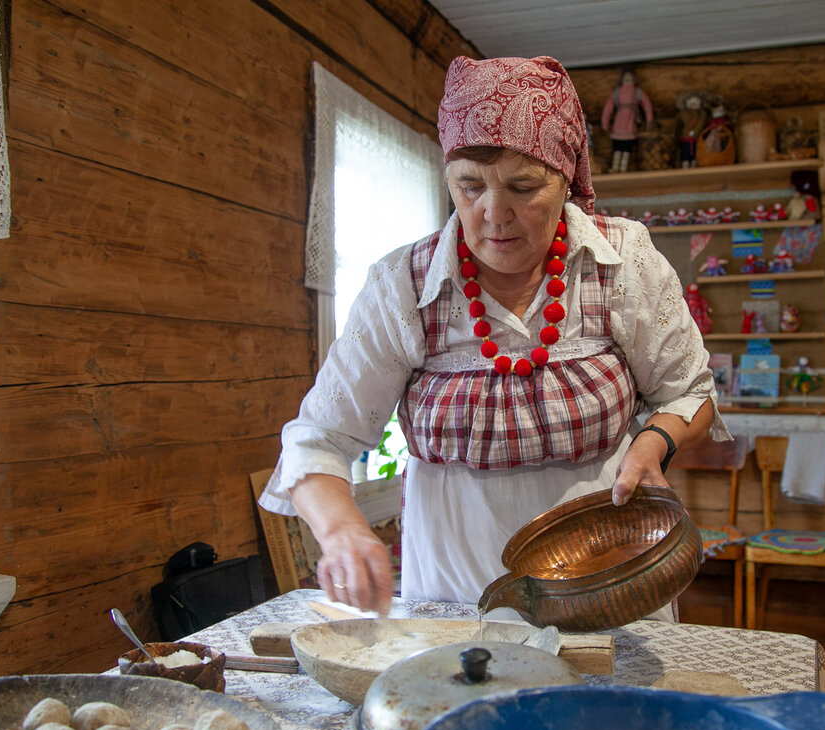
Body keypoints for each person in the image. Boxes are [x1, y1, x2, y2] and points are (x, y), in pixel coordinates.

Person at [260, 55, 729, 616]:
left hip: (609, 591)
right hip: (456, 606)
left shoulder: (620, 262)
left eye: (523, 186)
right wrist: (340, 530)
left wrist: (652, 447)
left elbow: (689, 392)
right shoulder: (405, 287)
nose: (493, 214)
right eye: (469, 186)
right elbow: (317, 439)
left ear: (567, 178)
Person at [600, 69, 653, 173]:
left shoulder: (637, 92)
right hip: (620, 122)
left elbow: (647, 106)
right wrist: (604, 123)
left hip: (630, 122)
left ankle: (622, 168)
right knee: (618, 147)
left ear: (634, 79)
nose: (627, 80)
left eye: (630, 78)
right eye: (625, 78)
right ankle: (616, 167)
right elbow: (608, 108)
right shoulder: (617, 92)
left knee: (627, 148)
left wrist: (649, 121)